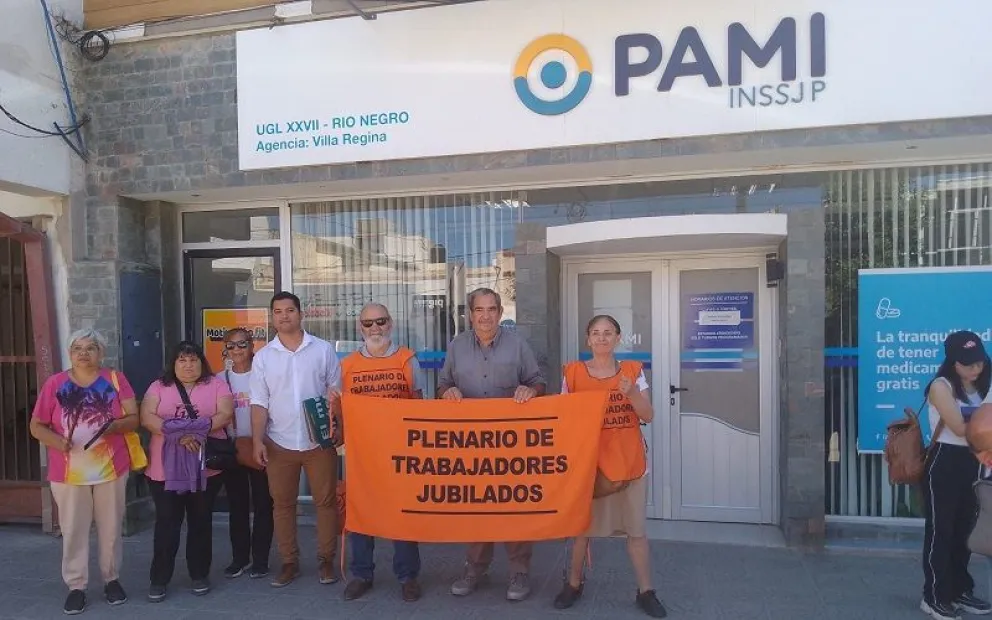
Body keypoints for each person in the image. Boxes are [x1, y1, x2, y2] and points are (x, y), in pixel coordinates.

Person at [552, 315, 666, 618]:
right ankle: (573, 583)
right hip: (590, 465)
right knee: (581, 529)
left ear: (618, 338)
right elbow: (563, 418)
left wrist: (632, 395)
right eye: (596, 333)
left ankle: (646, 591)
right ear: (588, 339)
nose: (601, 338)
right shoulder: (573, 373)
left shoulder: (633, 372)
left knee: (636, 532)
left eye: (608, 333)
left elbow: (648, 415)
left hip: (630, 464)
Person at [438, 287, 546, 601]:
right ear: (470, 315)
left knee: (514, 506)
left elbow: (538, 380)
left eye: (491, 309)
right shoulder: (456, 346)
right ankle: (475, 568)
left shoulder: (517, 344)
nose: (485, 316)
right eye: (479, 310)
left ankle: (519, 571)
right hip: (470, 444)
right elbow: (443, 384)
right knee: (476, 506)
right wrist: (447, 392)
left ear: (499, 312)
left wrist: (531, 391)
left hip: (511, 444)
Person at [29, 328, 139, 615]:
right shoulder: (55, 384)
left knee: (111, 528)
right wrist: (57, 442)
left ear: (100, 352)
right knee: (73, 529)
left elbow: (134, 418)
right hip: (68, 472)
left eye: (90, 348)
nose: (83, 353)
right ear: (70, 353)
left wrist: (116, 426)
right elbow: (36, 425)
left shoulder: (115, 379)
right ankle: (76, 586)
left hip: (111, 467)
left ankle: (111, 579)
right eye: (77, 348)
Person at [250, 291, 343, 589]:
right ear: (272, 317)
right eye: (278, 312)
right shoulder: (263, 357)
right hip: (279, 442)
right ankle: (289, 562)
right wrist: (257, 441)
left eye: (290, 310)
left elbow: (336, 393)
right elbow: (259, 403)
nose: (284, 316)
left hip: (319, 442)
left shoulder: (322, 350)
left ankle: (326, 559)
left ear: (300, 313)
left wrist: (337, 424)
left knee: (325, 502)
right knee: (282, 504)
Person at [340, 303, 424, 603]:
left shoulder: (407, 359)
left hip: (400, 452)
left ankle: (408, 576)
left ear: (391, 323)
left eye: (381, 321)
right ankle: (361, 574)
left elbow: (418, 405)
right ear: (359, 328)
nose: (375, 328)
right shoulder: (347, 365)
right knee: (361, 513)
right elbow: (340, 409)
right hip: (362, 455)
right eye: (368, 323)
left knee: (402, 514)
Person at [140, 341, 234, 602]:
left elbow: (225, 414)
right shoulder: (158, 386)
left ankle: (199, 574)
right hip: (164, 471)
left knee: (200, 522)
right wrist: (180, 436)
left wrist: (196, 433)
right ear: (173, 363)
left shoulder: (216, 385)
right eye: (182, 360)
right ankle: (159, 579)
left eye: (193, 360)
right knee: (167, 524)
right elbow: (147, 417)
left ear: (202, 362)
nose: (188, 365)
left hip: (205, 470)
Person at [921, 331, 992, 620]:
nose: (975, 368)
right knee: (941, 530)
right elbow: (962, 429)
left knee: (966, 531)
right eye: (967, 363)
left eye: (979, 362)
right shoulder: (941, 386)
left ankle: (960, 589)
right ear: (953, 362)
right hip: (945, 461)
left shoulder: (986, 384)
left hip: (976, 461)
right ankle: (934, 596)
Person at [218, 328, 273, 580]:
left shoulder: (264, 375)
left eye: (242, 344)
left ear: (252, 347)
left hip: (262, 446)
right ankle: (239, 558)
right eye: (231, 345)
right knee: (237, 506)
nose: (237, 350)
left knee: (263, 504)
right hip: (233, 449)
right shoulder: (219, 379)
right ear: (225, 350)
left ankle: (260, 560)